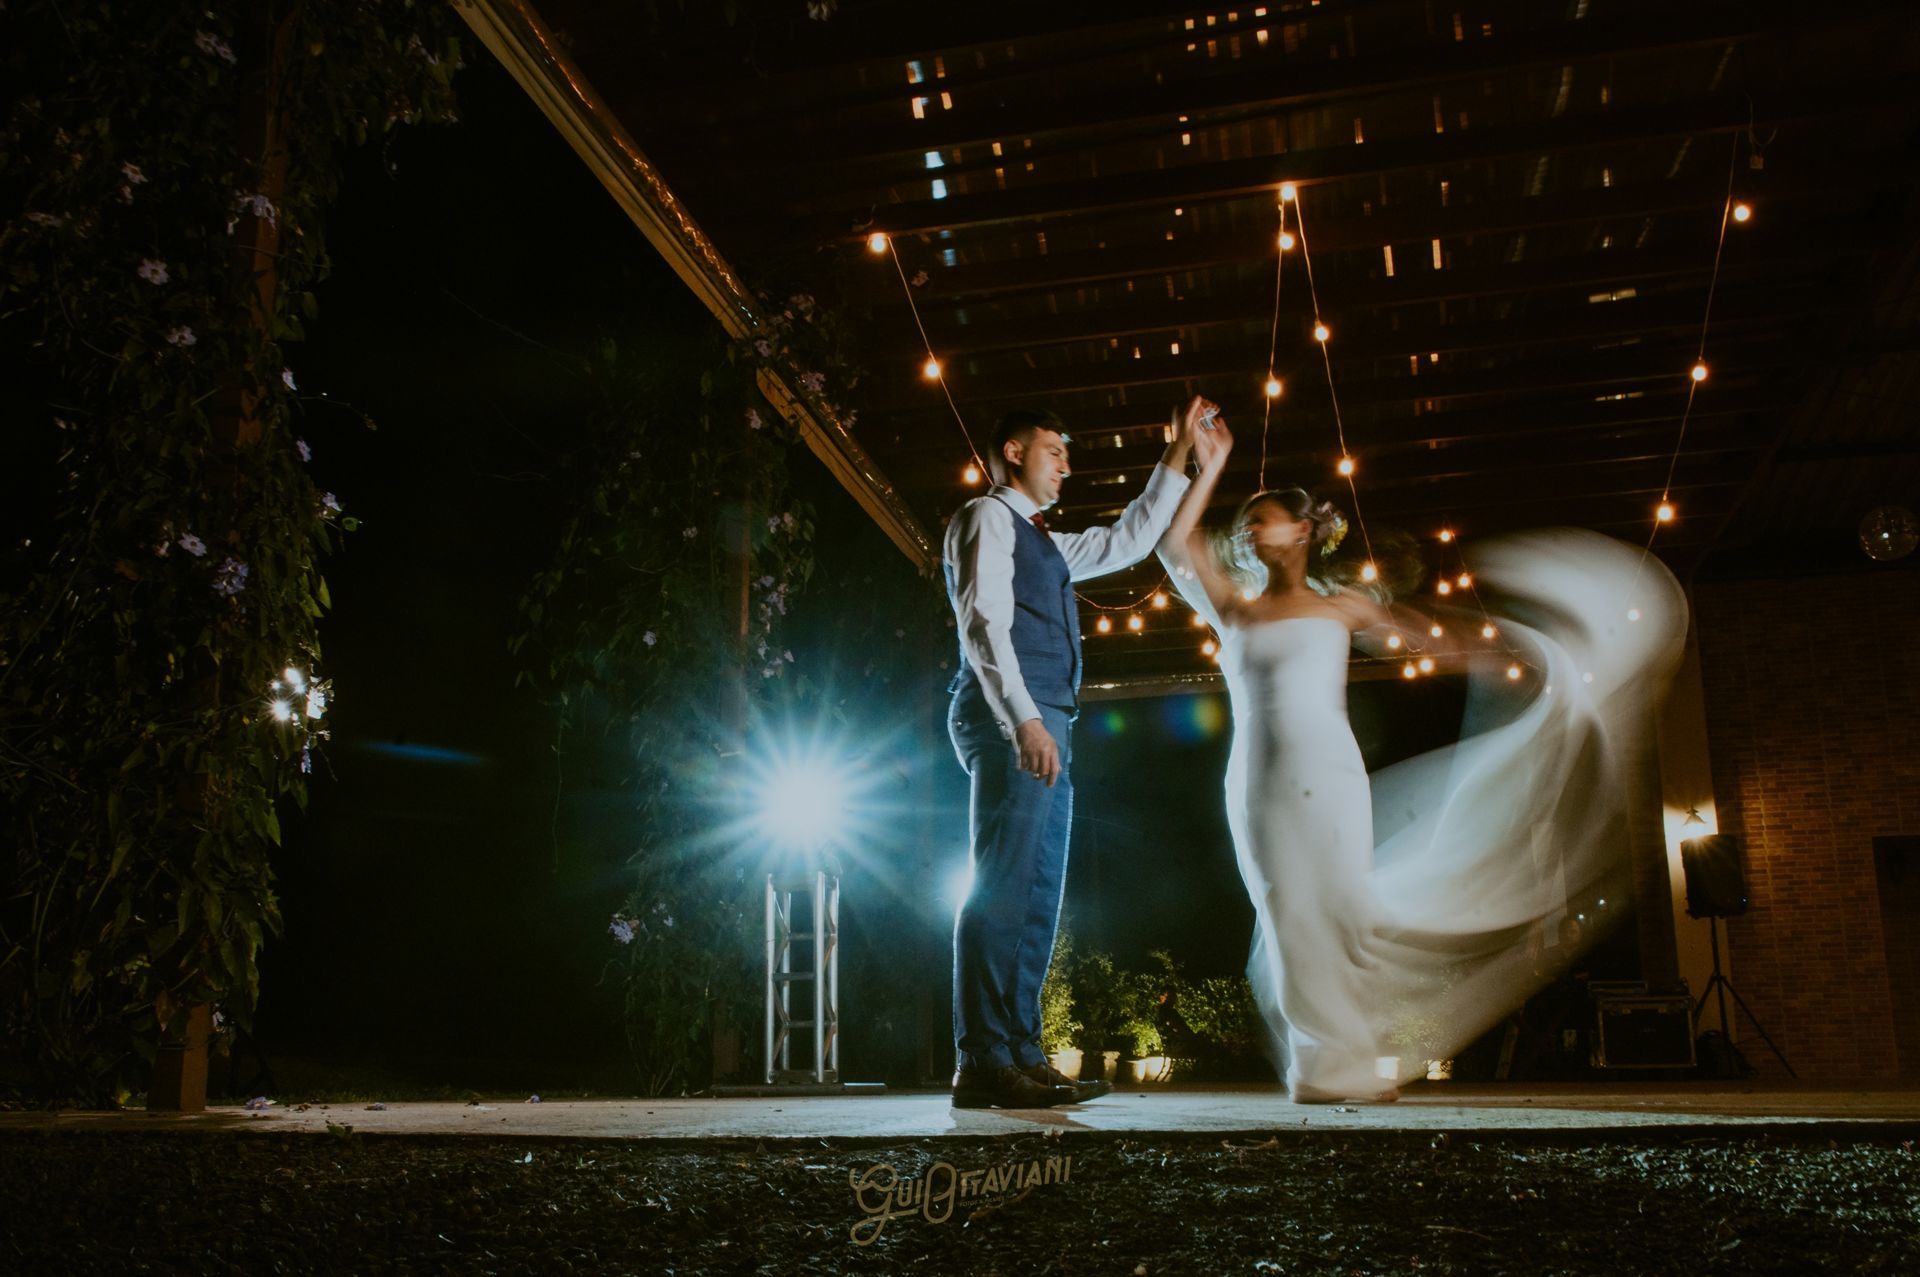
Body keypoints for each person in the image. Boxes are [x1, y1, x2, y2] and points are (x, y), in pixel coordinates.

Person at [1158, 412, 1686, 1103]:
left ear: (1305, 530)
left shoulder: (1343, 607)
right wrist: (1200, 460)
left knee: (1345, 910)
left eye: (1264, 518)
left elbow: (1423, 636)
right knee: (1290, 910)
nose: (1248, 530)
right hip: (1262, 780)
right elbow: (1173, 541)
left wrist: (1498, 649)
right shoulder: (1233, 609)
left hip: (1333, 774)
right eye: (1246, 522)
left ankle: (1348, 1057)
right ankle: (1317, 1069)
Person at [944, 398, 1210, 1108]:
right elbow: (983, 623)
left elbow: (1129, 540)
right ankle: (982, 1060)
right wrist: (1024, 721)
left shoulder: (1047, 543)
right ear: (1013, 452)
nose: (1066, 464)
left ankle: (1022, 1053)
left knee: (1038, 891)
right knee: (1003, 885)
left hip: (1050, 720)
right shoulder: (986, 517)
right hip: (1015, 718)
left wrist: (1180, 451)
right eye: (1053, 450)